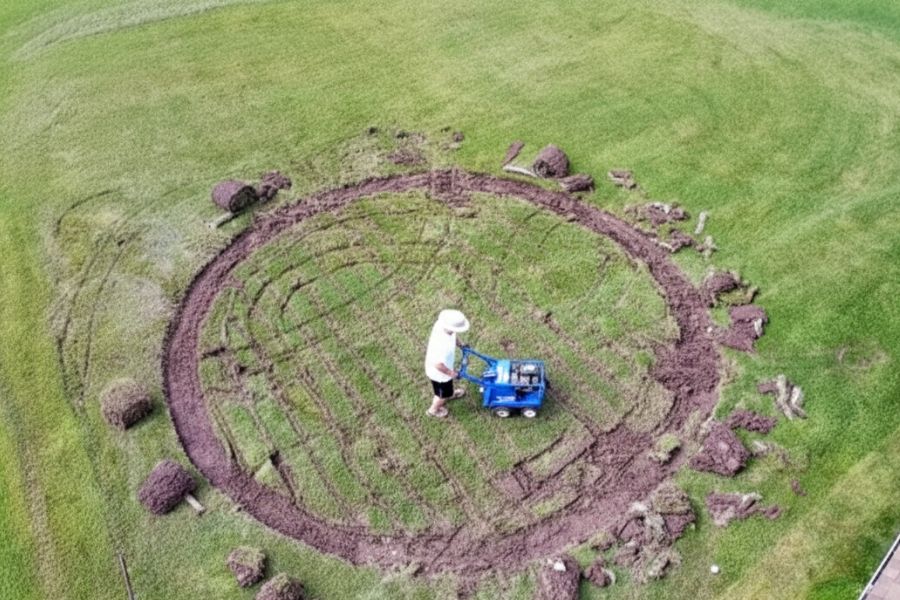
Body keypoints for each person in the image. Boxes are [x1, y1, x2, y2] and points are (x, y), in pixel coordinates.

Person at [424, 309, 469, 418]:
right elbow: (438, 364)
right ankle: (433, 410)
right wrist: (451, 373)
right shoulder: (441, 346)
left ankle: (450, 394)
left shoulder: (442, 326)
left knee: (447, 389)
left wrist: (461, 344)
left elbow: (453, 335)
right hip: (439, 374)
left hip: (445, 368)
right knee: (441, 394)